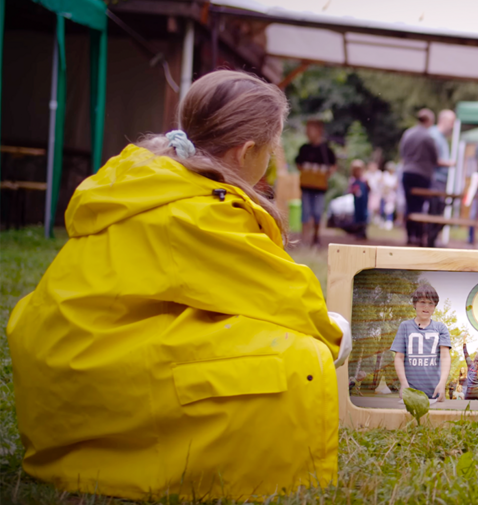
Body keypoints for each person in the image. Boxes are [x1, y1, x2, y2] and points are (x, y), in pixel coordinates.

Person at [5, 70, 352, 499]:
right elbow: (287, 300)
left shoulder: (145, 179)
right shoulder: (200, 210)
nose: (273, 158)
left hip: (62, 368)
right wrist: (337, 333)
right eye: (272, 148)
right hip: (94, 378)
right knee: (299, 356)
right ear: (248, 152)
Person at [391, 283, 452, 400]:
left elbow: (445, 357)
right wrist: (403, 384)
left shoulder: (441, 328)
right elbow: (399, 357)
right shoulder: (405, 326)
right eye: (423, 302)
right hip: (411, 392)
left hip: (435, 392)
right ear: (414, 304)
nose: (426, 307)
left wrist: (442, 383)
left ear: (435, 306)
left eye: (431, 303)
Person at [295, 119, 338, 246]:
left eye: (310, 129)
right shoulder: (304, 149)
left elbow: (333, 165)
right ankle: (304, 238)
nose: (307, 132)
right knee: (306, 212)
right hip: (306, 186)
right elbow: (298, 163)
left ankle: (316, 237)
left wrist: (326, 173)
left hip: (319, 188)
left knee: (318, 212)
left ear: (319, 131)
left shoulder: (326, 150)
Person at [399, 108, 438, 246]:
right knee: (420, 206)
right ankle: (419, 236)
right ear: (428, 121)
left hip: (407, 173)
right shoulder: (428, 137)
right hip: (422, 174)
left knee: (409, 205)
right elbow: (435, 158)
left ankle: (410, 235)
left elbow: (402, 153)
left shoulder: (407, 134)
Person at [426, 109, 458, 247]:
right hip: (434, 180)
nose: (452, 126)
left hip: (440, 180)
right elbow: (432, 159)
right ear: (443, 121)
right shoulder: (433, 136)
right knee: (435, 211)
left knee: (440, 211)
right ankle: (430, 241)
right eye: (451, 122)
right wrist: (450, 163)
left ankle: (432, 240)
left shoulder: (441, 138)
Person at [342, 159, 369, 239]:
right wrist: (354, 191)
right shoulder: (353, 181)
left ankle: (363, 232)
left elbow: (369, 190)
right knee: (357, 217)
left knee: (364, 216)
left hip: (364, 203)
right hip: (357, 203)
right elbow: (349, 191)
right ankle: (358, 232)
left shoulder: (364, 180)